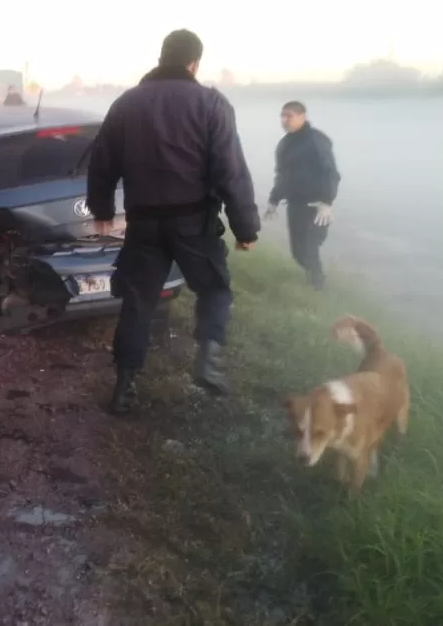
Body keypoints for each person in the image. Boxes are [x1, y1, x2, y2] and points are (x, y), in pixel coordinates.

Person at [86, 29, 261, 413]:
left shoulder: (126, 103)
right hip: (193, 223)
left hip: (144, 224)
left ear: (162, 58)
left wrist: (100, 209)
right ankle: (208, 363)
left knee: (138, 302)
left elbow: (101, 161)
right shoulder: (211, 103)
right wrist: (245, 228)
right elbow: (230, 169)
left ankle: (124, 388)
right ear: (194, 63)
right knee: (215, 290)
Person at [264, 101, 340, 290]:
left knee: (309, 248)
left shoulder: (316, 140)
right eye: (282, 116)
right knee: (297, 252)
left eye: (289, 115)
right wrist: (274, 200)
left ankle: (319, 287)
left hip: (316, 207)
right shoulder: (285, 144)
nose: (284, 120)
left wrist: (327, 202)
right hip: (295, 205)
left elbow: (330, 172)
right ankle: (312, 277)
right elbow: (282, 175)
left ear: (302, 116)